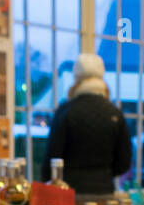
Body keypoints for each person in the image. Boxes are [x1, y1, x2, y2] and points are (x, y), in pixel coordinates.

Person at [41, 54, 132, 197]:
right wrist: (103, 173)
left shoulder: (65, 112)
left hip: (71, 195)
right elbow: (124, 162)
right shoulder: (115, 113)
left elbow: (51, 161)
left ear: (76, 79)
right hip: (105, 193)